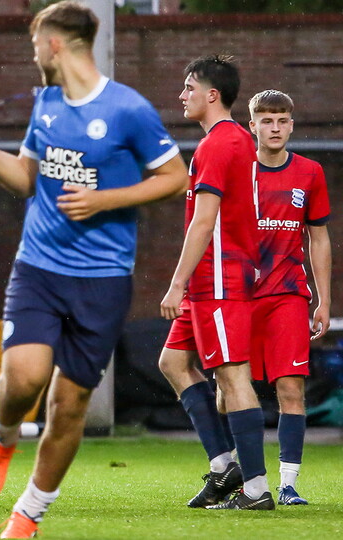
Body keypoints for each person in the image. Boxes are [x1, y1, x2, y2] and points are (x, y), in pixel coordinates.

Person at [0, 2, 188, 537]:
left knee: (69, 401)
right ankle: (3, 436)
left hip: (104, 278)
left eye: (35, 43)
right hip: (38, 267)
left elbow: (175, 177)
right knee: (25, 379)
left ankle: (29, 512)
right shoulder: (47, 104)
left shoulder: (129, 109)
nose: (32, 52)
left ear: (54, 44)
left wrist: (105, 199)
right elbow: (25, 180)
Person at [159, 55, 274, 510]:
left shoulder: (219, 144)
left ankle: (257, 489)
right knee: (172, 362)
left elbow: (204, 222)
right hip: (214, 280)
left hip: (219, 280)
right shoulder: (232, 140)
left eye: (188, 87)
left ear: (212, 94)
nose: (181, 95)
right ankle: (226, 465)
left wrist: (176, 283)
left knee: (232, 376)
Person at [245, 89, 332, 505]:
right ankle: (243, 479)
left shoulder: (310, 172)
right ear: (253, 127)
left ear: (292, 125)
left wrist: (324, 300)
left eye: (281, 120)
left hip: (289, 296)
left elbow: (319, 237)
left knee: (290, 389)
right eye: (266, 120)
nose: (274, 127)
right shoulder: (237, 172)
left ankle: (288, 483)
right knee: (230, 389)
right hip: (238, 298)